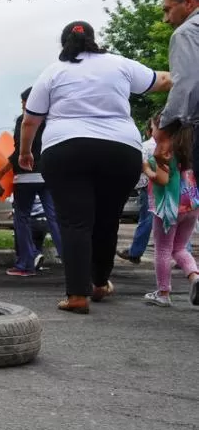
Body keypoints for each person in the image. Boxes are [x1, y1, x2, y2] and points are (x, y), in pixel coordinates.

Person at [19, 21, 172, 315]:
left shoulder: (53, 71)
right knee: (106, 219)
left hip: (65, 149)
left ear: (64, 43)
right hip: (120, 150)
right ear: (94, 39)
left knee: (75, 222)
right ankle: (100, 283)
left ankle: (77, 294)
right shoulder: (120, 64)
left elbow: (30, 120)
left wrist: (26, 153)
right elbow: (162, 80)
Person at [0, 87, 63, 277]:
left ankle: (26, 263)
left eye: (23, 103)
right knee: (55, 218)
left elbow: (18, 153)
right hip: (49, 174)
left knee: (21, 218)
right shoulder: (54, 121)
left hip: (25, 176)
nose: (23, 106)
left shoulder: (24, 121)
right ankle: (72, 261)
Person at [142, 128, 199, 307]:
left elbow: (161, 179)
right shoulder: (190, 152)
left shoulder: (164, 152)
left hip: (169, 206)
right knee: (180, 247)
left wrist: (146, 168)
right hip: (191, 203)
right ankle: (195, 277)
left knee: (163, 249)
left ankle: (163, 293)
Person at [155, 0, 199, 178]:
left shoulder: (187, 32)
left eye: (167, 9)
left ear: (188, 1)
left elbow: (187, 84)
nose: (166, 19)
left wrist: (164, 133)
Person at [118, 114, 160, 265]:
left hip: (148, 187)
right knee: (171, 219)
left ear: (150, 130)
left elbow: (138, 166)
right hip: (170, 187)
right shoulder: (175, 144)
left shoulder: (145, 146)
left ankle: (135, 252)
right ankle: (183, 251)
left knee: (146, 220)